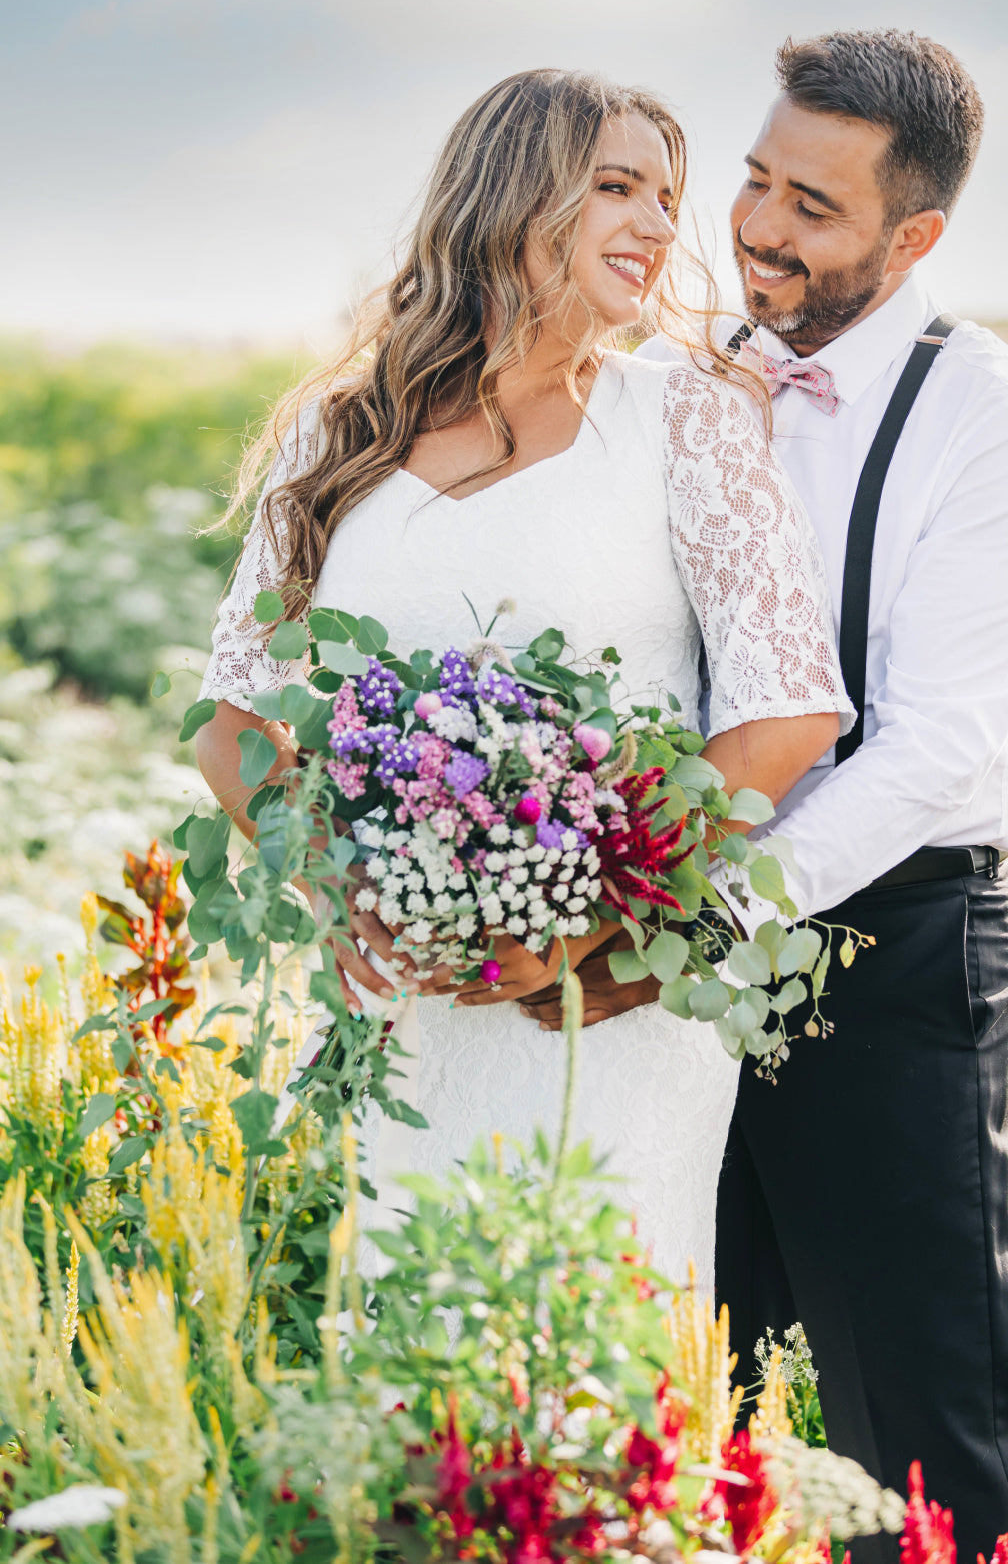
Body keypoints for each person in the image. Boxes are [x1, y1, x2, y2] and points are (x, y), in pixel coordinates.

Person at [543, 31, 1008, 1563]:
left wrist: (686, 916)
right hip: (661, 949)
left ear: (914, 238)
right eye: (757, 179)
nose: (759, 226)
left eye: (813, 207)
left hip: (891, 953)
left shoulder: (986, 413)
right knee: (679, 1405)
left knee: (922, 1435)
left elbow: (928, 750)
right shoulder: (660, 388)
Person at [193, 69, 851, 1291]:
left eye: (668, 197)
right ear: (512, 194)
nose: (660, 228)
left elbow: (785, 708)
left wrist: (586, 919)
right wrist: (350, 897)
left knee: (595, 1362)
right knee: (402, 1356)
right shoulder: (341, 429)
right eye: (617, 188)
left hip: (601, 1010)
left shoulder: (687, 418)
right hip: (406, 1011)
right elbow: (233, 725)